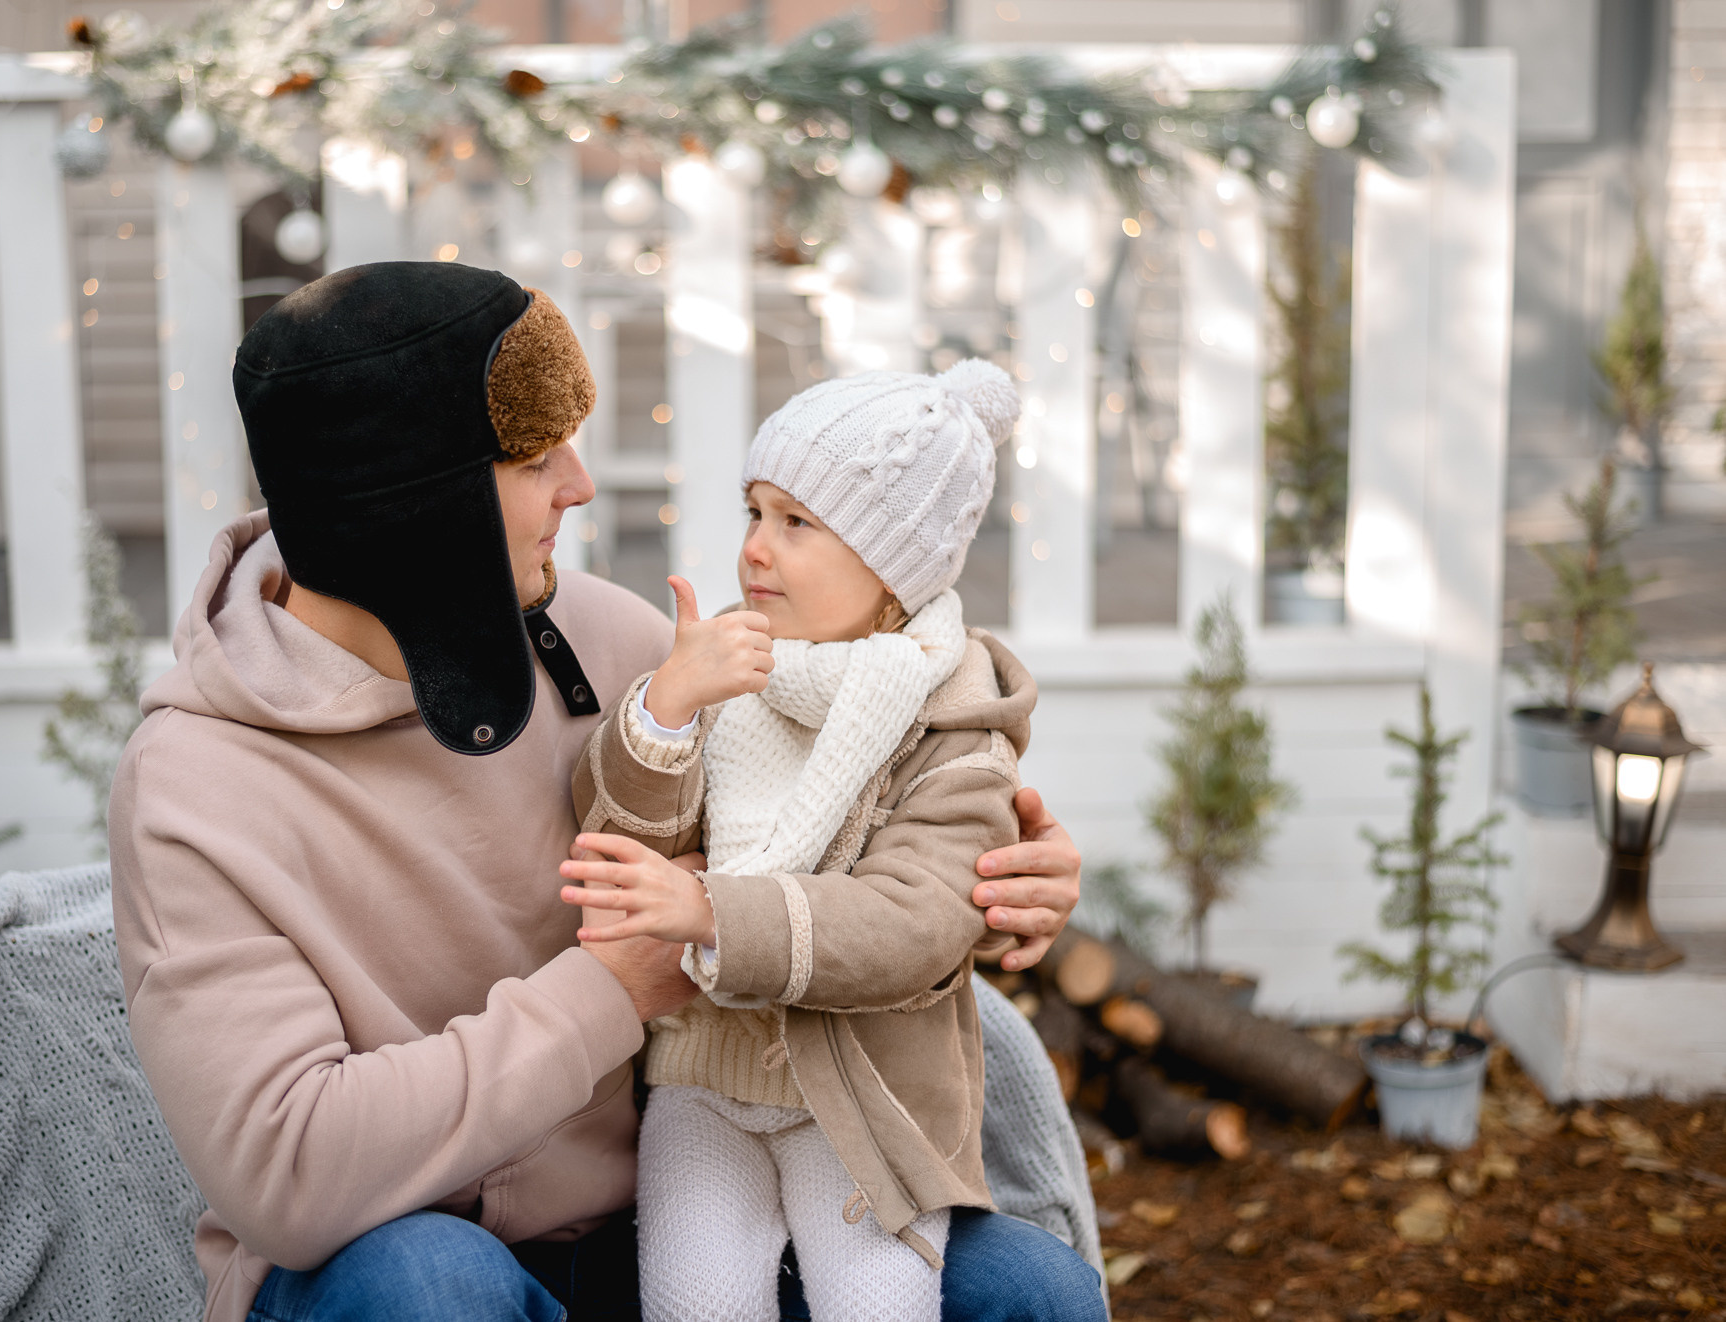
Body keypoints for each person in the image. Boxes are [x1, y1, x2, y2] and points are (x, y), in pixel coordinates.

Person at [109, 262, 1087, 1322]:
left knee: (1023, 1292)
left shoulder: (604, 637)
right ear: (411, 504)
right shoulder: (194, 786)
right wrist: (614, 985)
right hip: (392, 1261)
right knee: (430, 1287)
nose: (578, 483)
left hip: (672, 1213)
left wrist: (991, 872)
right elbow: (291, 1174)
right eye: (535, 459)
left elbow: (831, 809)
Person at [561, 361, 1105, 1322]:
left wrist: (711, 909)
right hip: (701, 1082)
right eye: (755, 512)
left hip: (861, 1097)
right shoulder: (725, 665)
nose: (755, 551)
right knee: (695, 1303)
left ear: (894, 568)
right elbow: (618, 848)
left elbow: (915, 921)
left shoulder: (956, 727)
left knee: (878, 1303)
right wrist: (668, 710)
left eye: (799, 523)